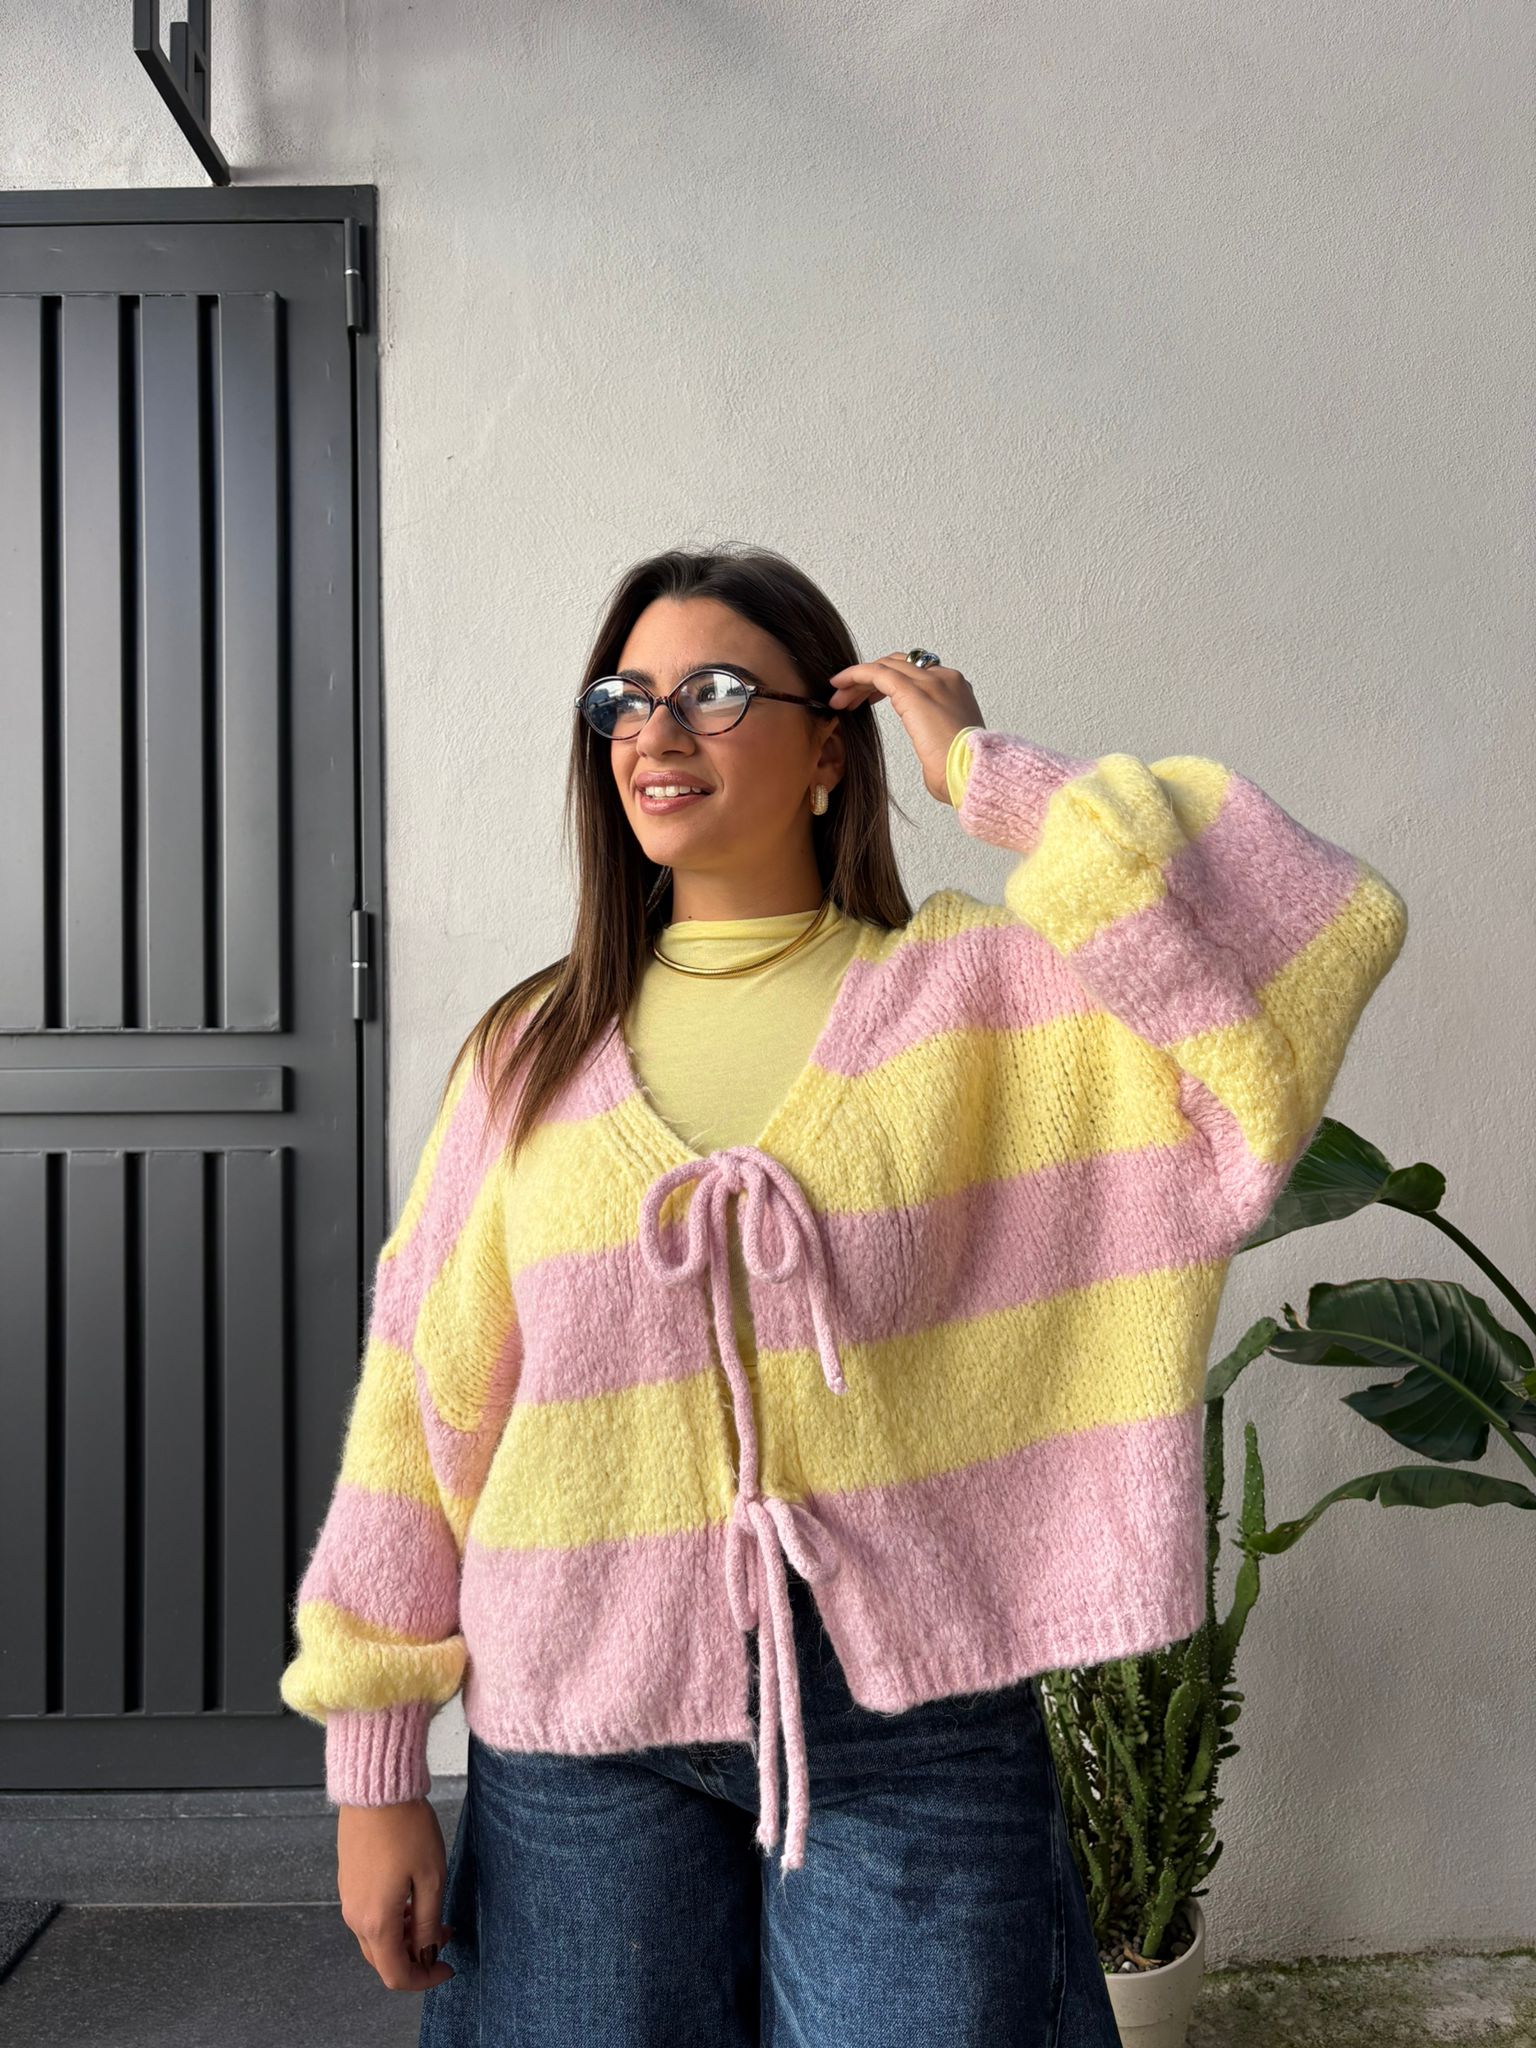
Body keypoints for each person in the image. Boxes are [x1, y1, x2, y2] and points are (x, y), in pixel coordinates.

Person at [278, 545, 1408, 2046]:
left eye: (714, 690)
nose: (656, 730)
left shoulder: (983, 1008)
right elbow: (421, 1404)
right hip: (574, 1713)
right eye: (624, 697)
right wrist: (374, 1767)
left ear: (830, 748)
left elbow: (1303, 933)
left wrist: (991, 778)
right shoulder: (529, 1052)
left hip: (913, 1711)